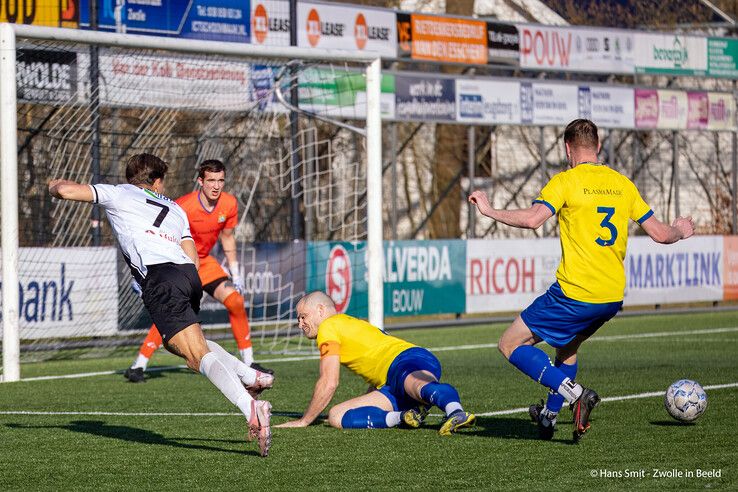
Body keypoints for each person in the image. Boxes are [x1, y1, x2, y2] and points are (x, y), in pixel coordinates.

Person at [469, 119, 694, 442]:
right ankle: (548, 417)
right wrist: (681, 231)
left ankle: (575, 395)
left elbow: (534, 220)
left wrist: (491, 211)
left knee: (509, 343)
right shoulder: (622, 184)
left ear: (567, 148)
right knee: (567, 348)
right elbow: (661, 234)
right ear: (598, 147)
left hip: (575, 292)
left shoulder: (566, 181)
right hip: (611, 297)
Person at [48, 153, 274, 456]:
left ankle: (251, 407)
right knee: (181, 344)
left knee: (195, 356)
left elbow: (67, 191)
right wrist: (188, 284)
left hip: (160, 277)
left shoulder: (120, 193)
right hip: (188, 274)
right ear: (158, 181)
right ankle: (250, 376)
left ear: (133, 179)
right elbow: (191, 252)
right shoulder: (175, 207)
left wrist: (54, 185)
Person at [123, 159, 272, 383]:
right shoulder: (183, 205)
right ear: (200, 181)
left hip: (206, 263)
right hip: (179, 264)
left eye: (221, 180)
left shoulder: (229, 204)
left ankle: (249, 361)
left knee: (235, 301)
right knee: (174, 313)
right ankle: (139, 365)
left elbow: (228, 238)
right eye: (211, 180)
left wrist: (236, 273)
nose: (216, 185)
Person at [276, 291, 475, 434]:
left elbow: (329, 382)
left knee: (415, 383)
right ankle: (405, 416)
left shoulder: (328, 327)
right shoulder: (346, 323)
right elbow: (375, 360)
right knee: (337, 416)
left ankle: (455, 412)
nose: (300, 323)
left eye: (303, 316)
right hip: (391, 381)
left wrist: (304, 421)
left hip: (406, 360)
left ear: (320, 310)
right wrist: (370, 398)